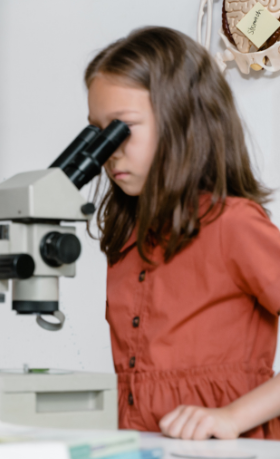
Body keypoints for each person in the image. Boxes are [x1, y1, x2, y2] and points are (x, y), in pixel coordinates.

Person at [87, 26, 280, 440]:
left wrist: (229, 417)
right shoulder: (126, 238)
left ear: (182, 121)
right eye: (99, 133)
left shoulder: (233, 225)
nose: (109, 150)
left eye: (123, 128)